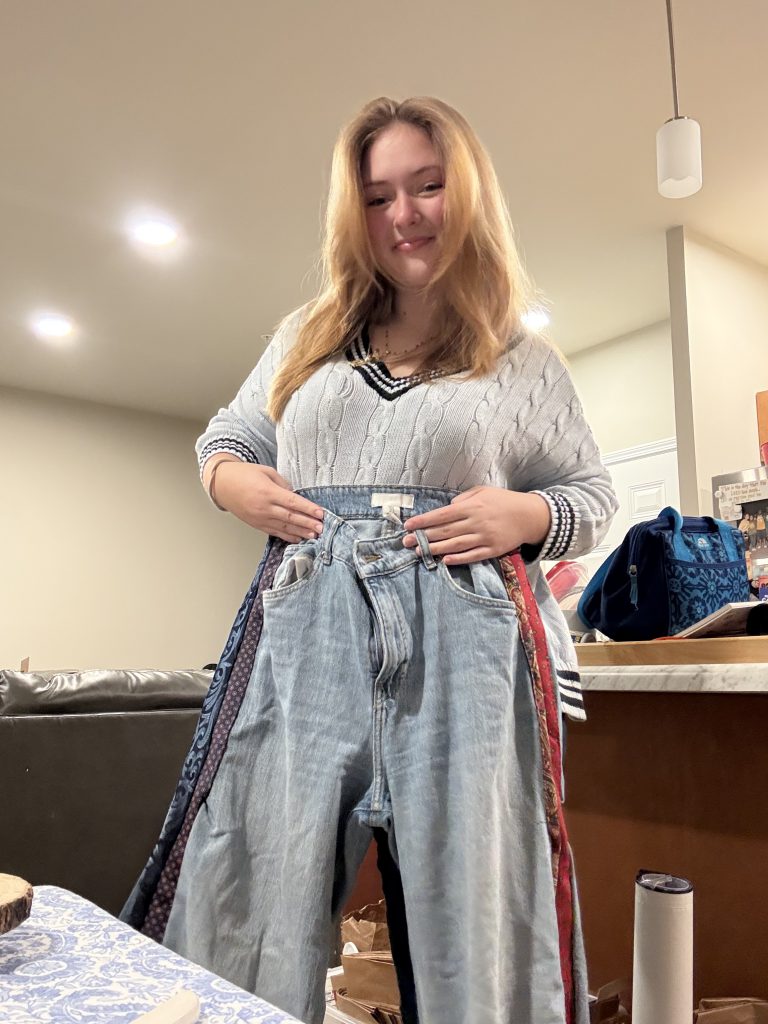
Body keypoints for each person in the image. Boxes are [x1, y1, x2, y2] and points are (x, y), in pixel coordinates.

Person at [121, 96, 617, 1024]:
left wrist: (524, 512)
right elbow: (226, 437)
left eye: (428, 186)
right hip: (310, 618)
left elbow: (590, 496)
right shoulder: (306, 336)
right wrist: (231, 481)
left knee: (478, 903)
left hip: (464, 633)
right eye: (378, 195)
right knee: (250, 881)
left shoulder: (521, 358)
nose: (404, 215)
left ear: (468, 192)